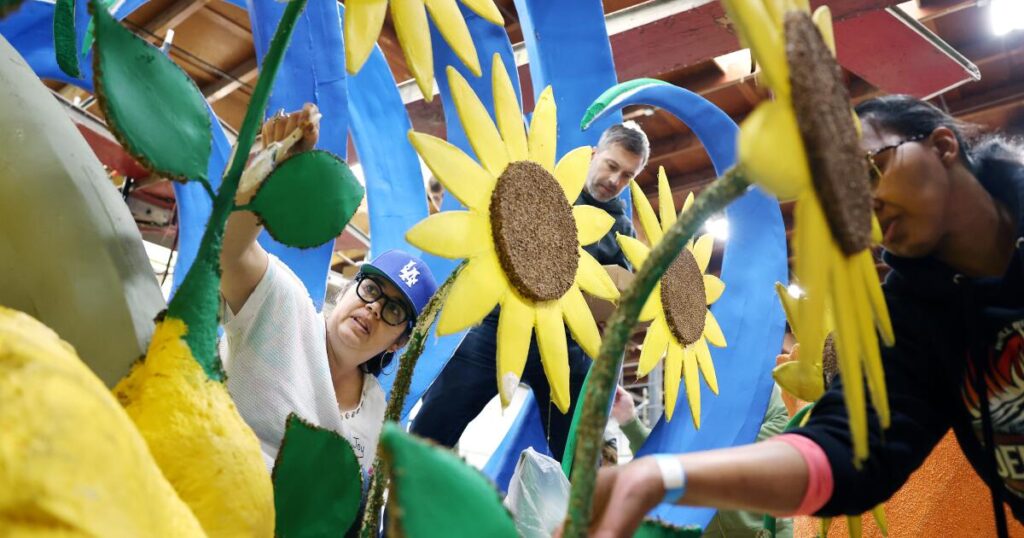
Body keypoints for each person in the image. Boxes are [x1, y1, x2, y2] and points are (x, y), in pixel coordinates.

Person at [572, 95, 1024, 537]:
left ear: (942, 146)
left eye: (870, 170)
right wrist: (665, 477)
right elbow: (846, 451)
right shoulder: (913, 319)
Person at [410, 122, 651, 461]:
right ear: (594, 154)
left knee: (580, 452)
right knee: (433, 422)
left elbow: (616, 297)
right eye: (612, 165)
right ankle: (398, 484)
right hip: (499, 324)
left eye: (627, 175)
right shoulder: (545, 186)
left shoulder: (621, 229)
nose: (615, 180)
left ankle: (583, 493)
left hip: (565, 345)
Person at [219, 105, 438, 471]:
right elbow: (228, 252)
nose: (373, 308)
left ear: (398, 342)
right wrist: (270, 172)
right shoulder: (283, 306)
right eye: (372, 290)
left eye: (394, 310)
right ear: (347, 289)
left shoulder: (377, 416)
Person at [609, 385, 793, 537]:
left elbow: (782, 427)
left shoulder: (759, 382)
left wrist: (708, 449)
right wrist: (629, 420)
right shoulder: (689, 391)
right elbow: (663, 453)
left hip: (763, 529)